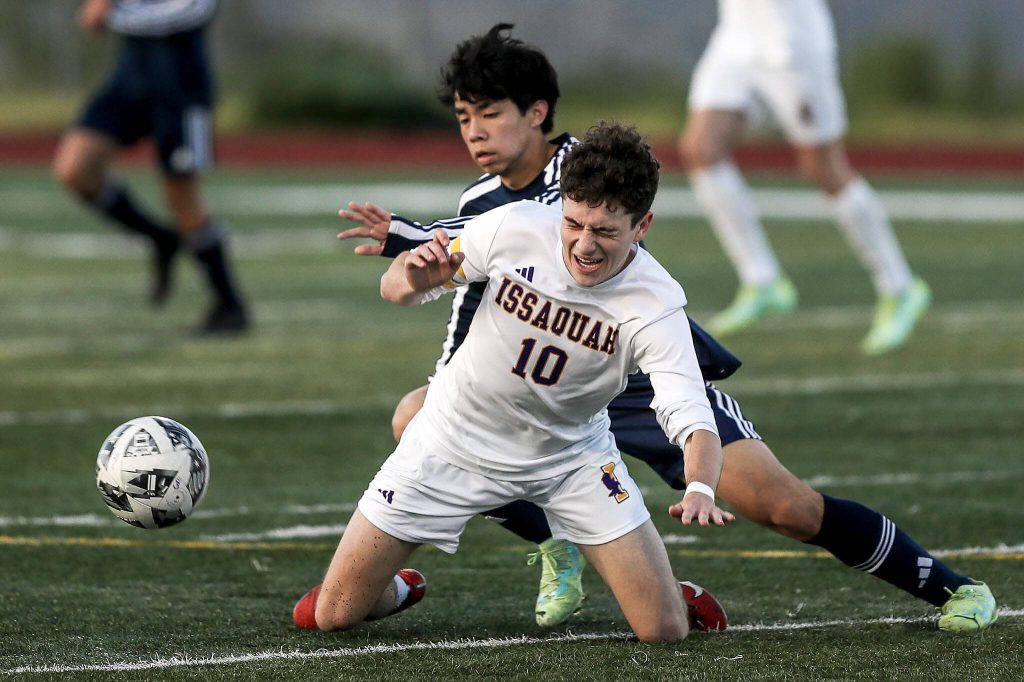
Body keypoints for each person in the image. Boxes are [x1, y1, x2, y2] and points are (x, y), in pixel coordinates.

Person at [335, 24, 997, 634]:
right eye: (463, 118)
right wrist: (413, 256)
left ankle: (952, 588)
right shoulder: (482, 200)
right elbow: (466, 267)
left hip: (633, 371)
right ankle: (559, 541)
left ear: (536, 113)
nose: (475, 132)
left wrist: (407, 236)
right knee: (413, 417)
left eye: (490, 114)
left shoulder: (584, 172)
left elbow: (536, 231)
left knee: (782, 505)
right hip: (545, 391)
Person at [295, 123, 732, 641]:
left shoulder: (656, 302)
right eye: (574, 222)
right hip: (448, 440)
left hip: (573, 460)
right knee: (332, 614)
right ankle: (399, 588)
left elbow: (691, 413)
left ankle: (667, 591)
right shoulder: (516, 226)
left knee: (663, 631)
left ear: (642, 226)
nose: (584, 245)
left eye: (606, 231)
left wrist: (701, 486)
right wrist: (414, 274)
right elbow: (398, 290)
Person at [679, 0, 930, 355]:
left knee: (823, 167)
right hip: (737, 35)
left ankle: (900, 287)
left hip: (791, 43)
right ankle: (762, 279)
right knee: (700, 148)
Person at [53, 0, 249, 334]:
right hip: (131, 67)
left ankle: (229, 306)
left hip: (181, 75)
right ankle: (159, 238)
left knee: (181, 198)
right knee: (74, 168)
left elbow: (193, 10)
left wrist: (114, 10)